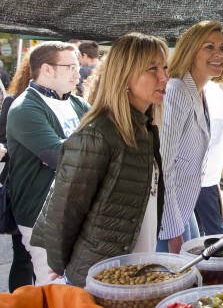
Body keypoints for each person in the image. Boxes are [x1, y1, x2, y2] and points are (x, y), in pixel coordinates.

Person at [30, 33, 170, 287]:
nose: (164, 77)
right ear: (124, 75)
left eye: (165, 67)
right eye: (153, 68)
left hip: (135, 275)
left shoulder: (146, 129)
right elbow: (65, 208)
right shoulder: (98, 133)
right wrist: (59, 262)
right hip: (100, 279)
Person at [6, 41, 90, 285]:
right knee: (54, 286)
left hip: (75, 208)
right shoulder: (25, 108)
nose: (78, 73)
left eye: (77, 66)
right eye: (70, 67)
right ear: (47, 69)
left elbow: (105, 144)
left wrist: (72, 150)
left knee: (78, 285)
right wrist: (81, 151)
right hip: (40, 216)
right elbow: (59, 157)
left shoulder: (78, 103)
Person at [158, 20, 223, 253]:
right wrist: (172, 230)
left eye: (222, 48)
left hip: (184, 205)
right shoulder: (177, 90)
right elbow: (163, 164)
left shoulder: (201, 90)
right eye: (209, 47)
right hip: (166, 212)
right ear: (190, 50)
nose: (218, 54)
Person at [0, 52, 34, 291]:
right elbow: (3, 137)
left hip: (48, 186)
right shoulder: (14, 100)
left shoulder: (70, 101)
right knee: (22, 256)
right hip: (21, 184)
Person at [196, 78, 223, 236]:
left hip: (204, 178)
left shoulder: (212, 93)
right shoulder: (205, 90)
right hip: (199, 178)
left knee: (214, 234)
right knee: (201, 232)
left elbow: (211, 137)